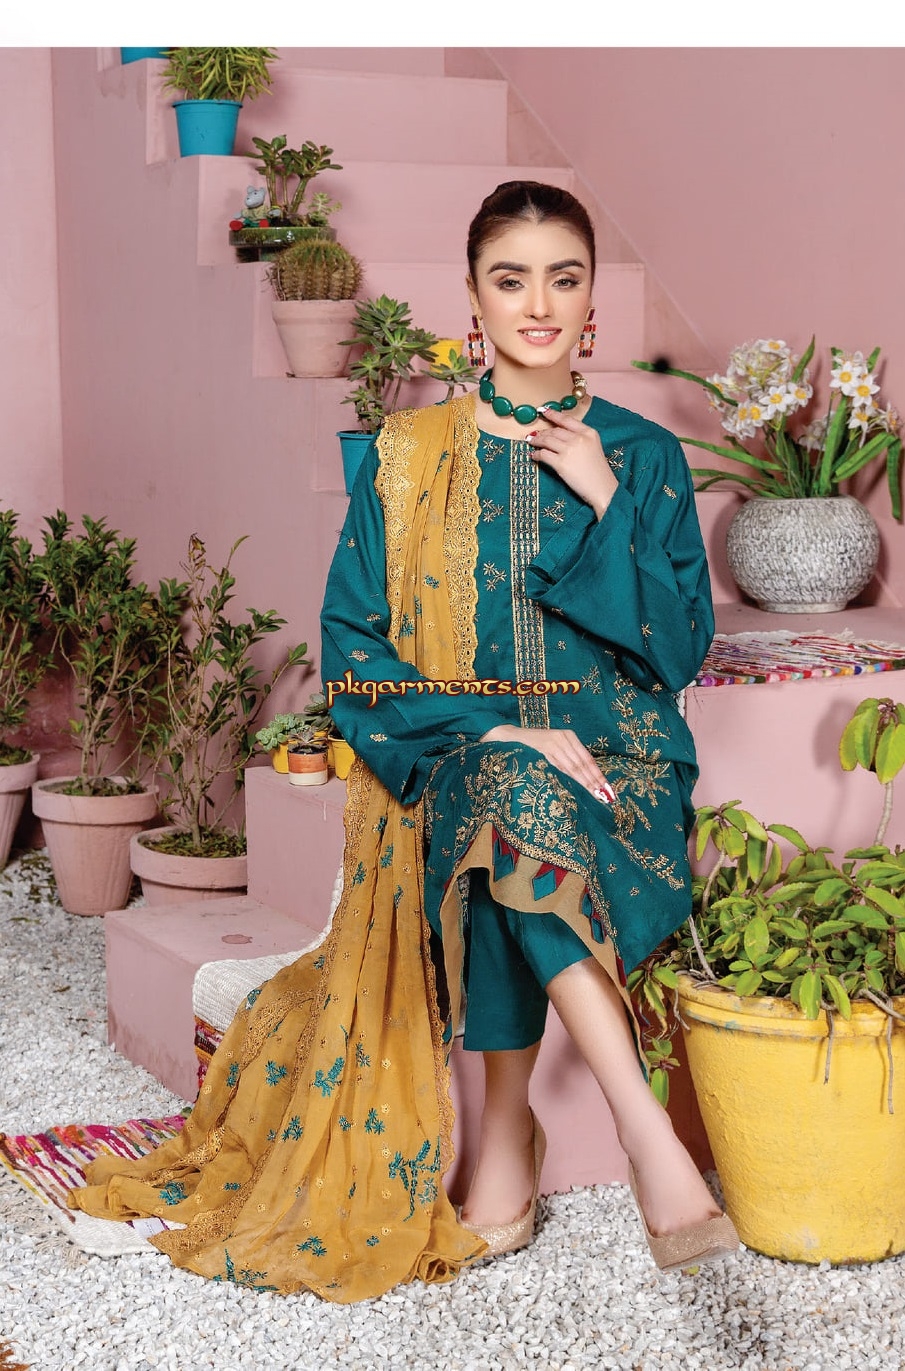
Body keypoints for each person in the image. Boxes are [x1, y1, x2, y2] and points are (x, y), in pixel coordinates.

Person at [68, 180, 737, 1297]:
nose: (538, 305)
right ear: (473, 299)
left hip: (619, 758)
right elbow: (355, 647)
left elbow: (676, 651)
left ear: (590, 305)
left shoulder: (643, 455)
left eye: (563, 279)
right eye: (511, 279)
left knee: (511, 802)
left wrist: (605, 497)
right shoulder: (406, 452)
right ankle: (642, 1133)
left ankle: (511, 1136)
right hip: (461, 744)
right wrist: (499, 724)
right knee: (499, 782)